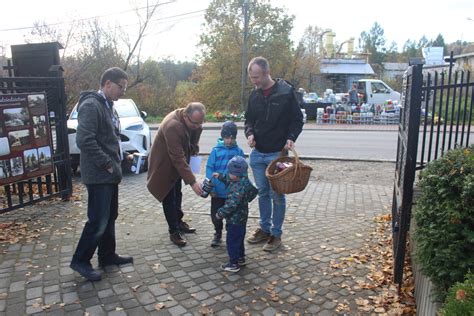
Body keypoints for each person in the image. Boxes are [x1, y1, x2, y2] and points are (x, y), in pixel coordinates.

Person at [70, 67, 133, 282]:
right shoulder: (91, 106)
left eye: (124, 87)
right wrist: (107, 163)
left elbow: (111, 138)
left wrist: (123, 157)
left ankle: (107, 255)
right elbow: (84, 141)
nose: (122, 92)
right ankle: (80, 260)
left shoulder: (109, 106)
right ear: (107, 84)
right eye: (120, 87)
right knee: (97, 220)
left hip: (110, 173)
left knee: (110, 217)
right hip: (99, 175)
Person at [244, 56, 304, 252]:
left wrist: (291, 137)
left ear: (267, 73)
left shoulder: (286, 93)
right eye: (252, 77)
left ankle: (276, 235)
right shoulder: (254, 95)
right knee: (262, 192)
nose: (254, 81)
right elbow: (249, 121)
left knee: (276, 195)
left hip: (277, 154)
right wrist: (250, 133)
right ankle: (264, 229)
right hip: (258, 154)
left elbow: (297, 119)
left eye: (257, 77)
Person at [147, 102, 205, 247]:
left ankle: (178, 222)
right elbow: (177, 157)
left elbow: (194, 140)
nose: (198, 126)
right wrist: (192, 182)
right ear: (186, 116)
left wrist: (194, 153)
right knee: (169, 197)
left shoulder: (193, 122)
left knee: (177, 194)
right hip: (164, 165)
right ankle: (174, 231)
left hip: (177, 163)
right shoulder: (172, 126)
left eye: (200, 122)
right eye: (195, 123)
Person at [213, 156, 258, 272]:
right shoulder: (242, 180)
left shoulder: (237, 188)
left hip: (234, 220)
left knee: (232, 241)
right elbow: (229, 180)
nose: (228, 174)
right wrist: (221, 177)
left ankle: (233, 263)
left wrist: (220, 213)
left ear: (234, 173)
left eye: (229, 172)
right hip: (242, 219)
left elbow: (231, 205)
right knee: (239, 239)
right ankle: (241, 258)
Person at [206, 121, 245, 247]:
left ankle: (230, 234)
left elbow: (243, 171)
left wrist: (242, 187)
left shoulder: (238, 151)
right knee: (215, 215)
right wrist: (211, 186)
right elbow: (209, 168)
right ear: (222, 137)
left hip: (232, 192)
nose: (229, 140)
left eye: (232, 138)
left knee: (231, 216)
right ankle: (217, 233)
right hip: (217, 191)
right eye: (227, 137)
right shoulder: (216, 151)